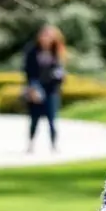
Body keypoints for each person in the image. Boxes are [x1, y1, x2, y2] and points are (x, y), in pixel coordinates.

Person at [23, 24, 66, 152]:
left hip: (51, 89)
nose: (46, 38)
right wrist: (32, 88)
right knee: (34, 118)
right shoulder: (32, 51)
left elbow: (60, 71)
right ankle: (30, 144)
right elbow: (28, 72)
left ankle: (54, 145)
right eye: (44, 35)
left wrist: (58, 76)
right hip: (36, 88)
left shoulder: (56, 51)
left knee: (52, 119)